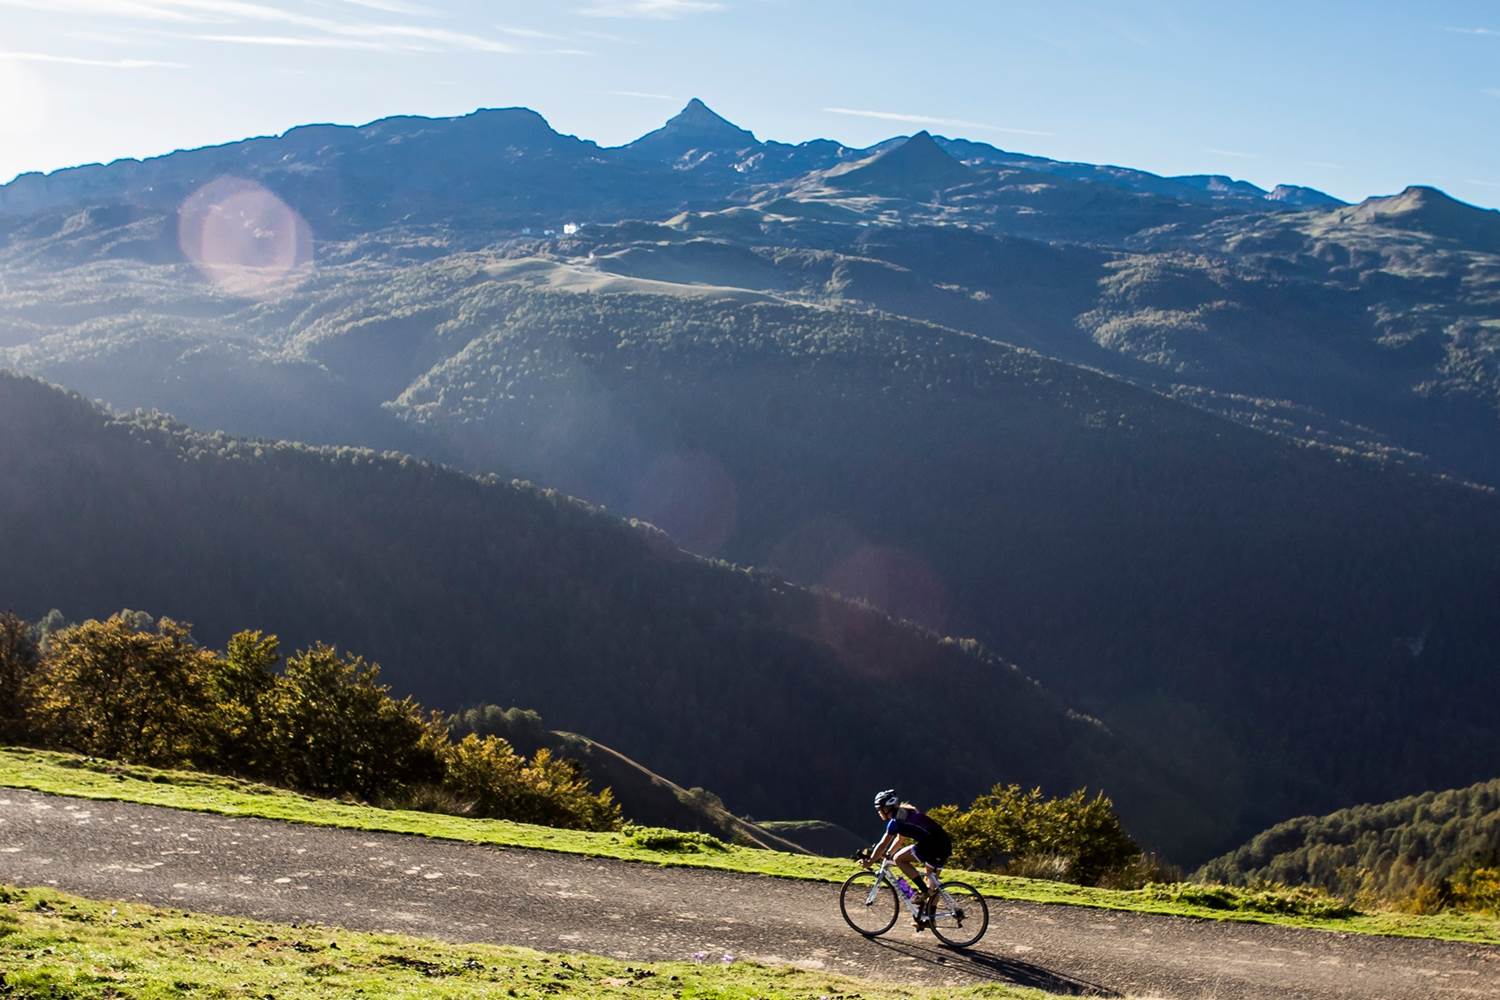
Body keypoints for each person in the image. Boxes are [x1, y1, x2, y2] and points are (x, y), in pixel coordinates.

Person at [864, 789, 952, 928]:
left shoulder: (895, 822)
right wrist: (889, 853)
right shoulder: (906, 812)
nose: (879, 812)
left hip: (932, 846)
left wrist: (870, 861)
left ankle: (924, 891)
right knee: (932, 881)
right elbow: (900, 838)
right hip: (943, 844)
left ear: (887, 808)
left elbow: (882, 844)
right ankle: (929, 919)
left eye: (879, 809)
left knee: (899, 858)